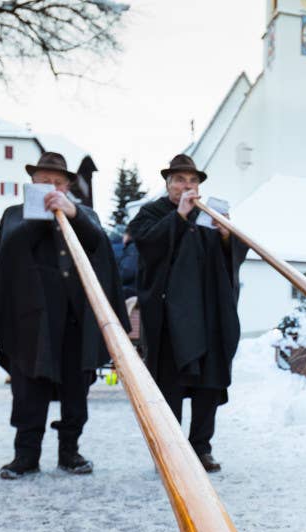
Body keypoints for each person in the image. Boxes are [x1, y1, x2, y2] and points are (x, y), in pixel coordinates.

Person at [0, 152, 128, 480]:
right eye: (45, 181)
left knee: (76, 390)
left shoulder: (84, 214)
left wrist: (74, 215)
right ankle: (26, 455)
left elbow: (100, 247)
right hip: (30, 321)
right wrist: (38, 216)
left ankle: (69, 452)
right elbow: (11, 253)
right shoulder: (15, 215)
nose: (51, 187)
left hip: (76, 320)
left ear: (69, 186)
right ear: (32, 182)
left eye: (58, 182)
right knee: (28, 391)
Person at [130, 154, 248, 472]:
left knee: (208, 384)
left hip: (209, 315)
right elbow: (146, 245)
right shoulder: (152, 213)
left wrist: (227, 236)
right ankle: (170, 451)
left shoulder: (208, 215)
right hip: (171, 319)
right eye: (180, 180)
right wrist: (179, 218)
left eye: (192, 180)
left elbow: (235, 254)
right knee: (170, 385)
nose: (187, 186)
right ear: (168, 183)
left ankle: (201, 448)